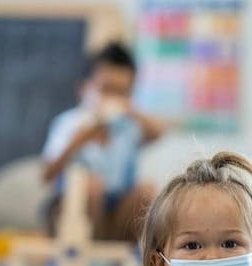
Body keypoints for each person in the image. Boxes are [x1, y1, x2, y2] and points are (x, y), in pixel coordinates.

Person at [42, 42, 166, 242]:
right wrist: (80, 140)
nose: (114, 98)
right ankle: (83, 249)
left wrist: (131, 111)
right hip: (71, 207)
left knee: (147, 191)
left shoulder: (129, 126)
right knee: (92, 185)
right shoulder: (70, 122)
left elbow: (158, 132)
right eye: (106, 89)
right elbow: (46, 175)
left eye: (122, 92)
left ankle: (126, 256)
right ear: (84, 88)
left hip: (115, 208)